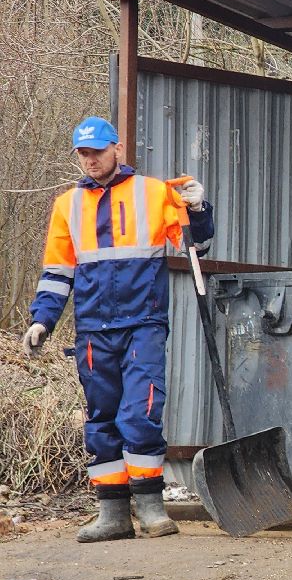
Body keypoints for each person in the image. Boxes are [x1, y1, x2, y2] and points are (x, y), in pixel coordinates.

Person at [22, 116, 215, 542]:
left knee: (141, 412)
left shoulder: (153, 193)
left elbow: (195, 245)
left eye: (97, 151)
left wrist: (198, 209)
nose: (90, 160)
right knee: (101, 419)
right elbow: (57, 272)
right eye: (83, 154)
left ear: (117, 150)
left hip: (143, 322)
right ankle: (113, 514)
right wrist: (42, 319)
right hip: (93, 328)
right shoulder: (66, 206)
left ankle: (150, 507)